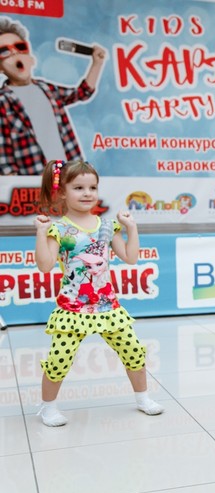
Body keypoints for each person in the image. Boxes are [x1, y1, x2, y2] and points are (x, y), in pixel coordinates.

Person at [33, 160, 164, 426]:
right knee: (58, 361)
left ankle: (143, 399)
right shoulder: (59, 229)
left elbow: (130, 257)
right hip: (72, 309)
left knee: (134, 352)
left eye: (92, 187)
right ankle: (48, 408)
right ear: (62, 192)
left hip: (107, 307)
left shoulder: (107, 226)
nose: (87, 193)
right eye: (78, 187)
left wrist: (131, 228)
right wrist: (40, 233)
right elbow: (45, 265)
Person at [0, 17, 106, 175]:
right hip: (36, 179)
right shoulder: (3, 101)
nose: (16, 55)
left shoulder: (47, 89)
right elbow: (4, 154)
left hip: (68, 175)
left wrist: (97, 63)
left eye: (20, 47)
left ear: (31, 58)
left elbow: (82, 93)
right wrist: (14, 182)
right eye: (4, 52)